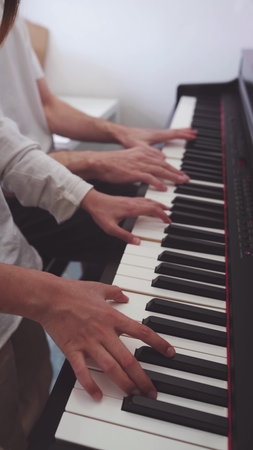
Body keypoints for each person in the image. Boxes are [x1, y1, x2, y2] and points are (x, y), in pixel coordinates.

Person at [0, 2, 175, 449]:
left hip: (15, 281)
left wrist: (88, 195)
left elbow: (10, 149)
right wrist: (50, 296)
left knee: (37, 408)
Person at [0, 1, 197, 270]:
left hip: (45, 166)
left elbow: (46, 106)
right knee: (157, 235)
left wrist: (123, 133)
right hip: (15, 198)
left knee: (166, 200)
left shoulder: (11, 12)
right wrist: (94, 161)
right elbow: (8, 173)